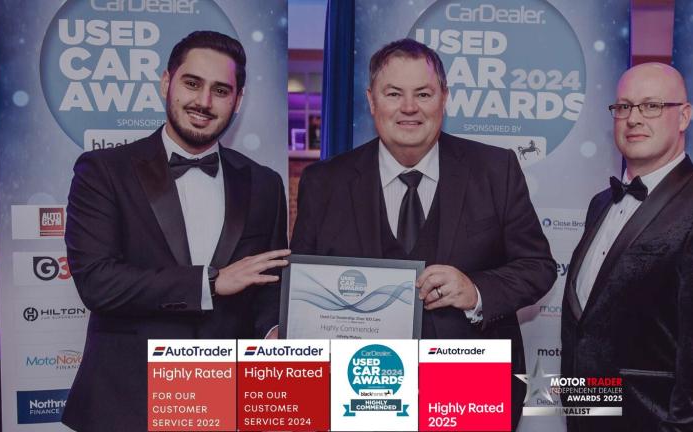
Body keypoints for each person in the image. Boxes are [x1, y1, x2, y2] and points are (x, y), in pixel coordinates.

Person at [290, 38, 557, 430]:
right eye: (393, 93)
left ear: (444, 98)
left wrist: (476, 291)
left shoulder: (495, 169)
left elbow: (538, 267)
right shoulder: (323, 182)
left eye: (423, 94)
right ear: (371, 100)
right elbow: (301, 281)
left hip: (472, 387)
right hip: (360, 388)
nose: (409, 107)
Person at [61, 31, 290, 431]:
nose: (204, 101)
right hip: (127, 403)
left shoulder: (265, 184)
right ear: (167, 82)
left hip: (227, 399)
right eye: (192, 83)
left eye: (221, 90)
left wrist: (273, 332)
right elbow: (97, 282)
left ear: (238, 100)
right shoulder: (103, 171)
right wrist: (210, 283)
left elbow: (269, 286)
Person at [561, 63, 693, 431]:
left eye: (651, 106)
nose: (633, 118)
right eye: (624, 106)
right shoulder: (600, 204)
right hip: (586, 418)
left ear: (683, 117)